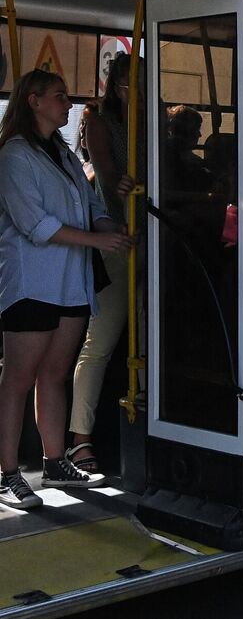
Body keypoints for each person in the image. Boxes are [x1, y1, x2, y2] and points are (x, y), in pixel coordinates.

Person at [0, 70, 133, 510]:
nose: (67, 102)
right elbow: (34, 225)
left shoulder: (62, 152)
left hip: (70, 281)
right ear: (34, 101)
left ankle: (55, 460)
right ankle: (7, 474)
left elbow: (90, 206)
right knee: (18, 379)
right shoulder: (15, 155)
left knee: (55, 373)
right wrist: (98, 240)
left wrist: (112, 227)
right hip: (32, 282)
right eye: (59, 96)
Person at [68, 53, 142, 477]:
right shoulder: (100, 120)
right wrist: (122, 187)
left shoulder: (154, 120)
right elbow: (108, 171)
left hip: (153, 238)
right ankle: (81, 440)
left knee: (150, 342)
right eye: (130, 84)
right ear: (116, 87)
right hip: (119, 237)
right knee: (100, 343)